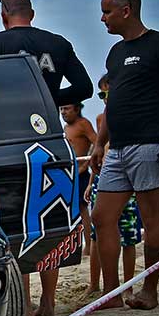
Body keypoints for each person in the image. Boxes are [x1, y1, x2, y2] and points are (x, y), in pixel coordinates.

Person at [0, 0, 92, 316]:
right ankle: (48, 302)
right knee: (50, 215)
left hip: (9, 138)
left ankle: (26, 304)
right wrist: (49, 97)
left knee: (19, 216)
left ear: (4, 14)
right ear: (32, 12)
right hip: (49, 136)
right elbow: (84, 88)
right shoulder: (57, 44)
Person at [89, 0, 159, 310]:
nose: (102, 19)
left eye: (107, 12)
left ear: (125, 11)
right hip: (117, 148)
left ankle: (150, 290)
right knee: (102, 217)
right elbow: (114, 103)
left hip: (152, 144)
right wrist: (100, 144)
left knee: (152, 219)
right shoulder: (115, 54)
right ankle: (112, 294)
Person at [83, 74, 142, 301]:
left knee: (128, 237)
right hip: (103, 179)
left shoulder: (134, 114)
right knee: (98, 235)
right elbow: (98, 152)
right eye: (101, 94)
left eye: (107, 93)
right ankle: (95, 285)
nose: (105, 98)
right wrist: (90, 182)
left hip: (128, 181)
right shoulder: (101, 118)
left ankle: (127, 286)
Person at [60, 102, 96, 254]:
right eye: (61, 109)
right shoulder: (66, 128)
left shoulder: (83, 124)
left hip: (81, 174)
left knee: (83, 210)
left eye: (67, 108)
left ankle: (88, 246)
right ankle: (75, 246)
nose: (63, 112)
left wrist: (85, 164)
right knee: (69, 212)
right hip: (69, 173)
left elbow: (97, 142)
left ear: (77, 109)